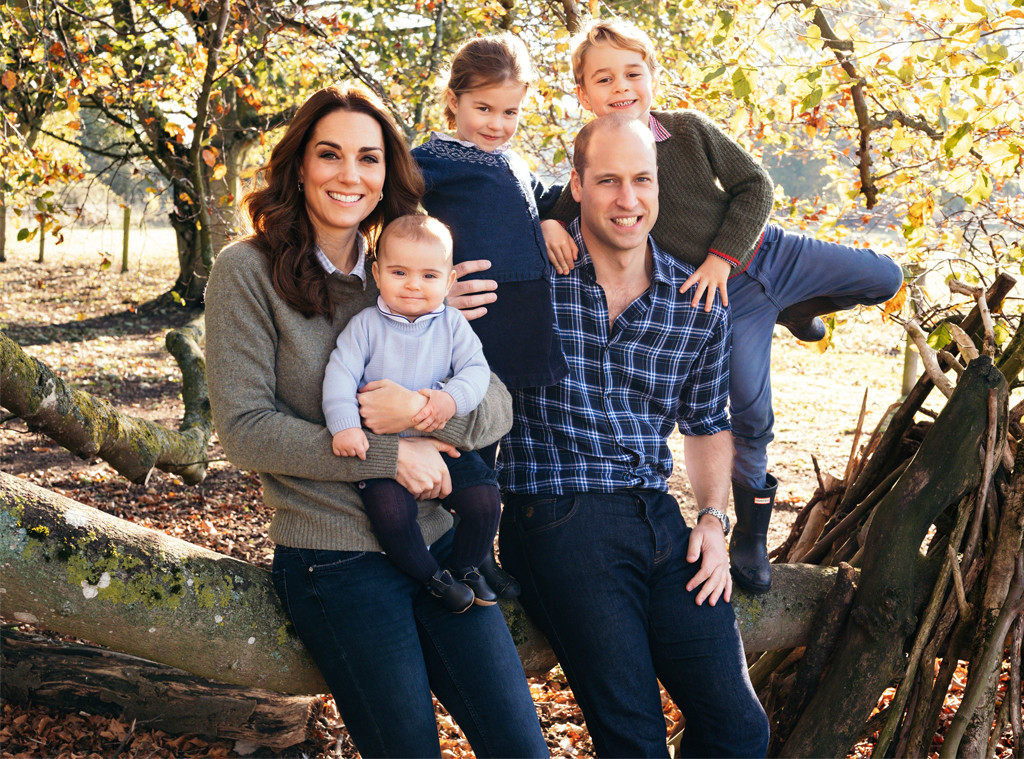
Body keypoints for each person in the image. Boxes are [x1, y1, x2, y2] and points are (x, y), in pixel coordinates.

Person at [204, 82, 548, 759]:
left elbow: (498, 405)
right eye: (330, 155)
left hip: (440, 542)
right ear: (299, 164)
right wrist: (393, 455)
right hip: (335, 555)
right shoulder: (245, 271)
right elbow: (245, 430)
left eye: (369, 158)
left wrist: (426, 410)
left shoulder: (409, 272)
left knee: (521, 747)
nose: (349, 174)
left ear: (389, 172)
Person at [541, 18, 904, 594]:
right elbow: (569, 201)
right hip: (725, 302)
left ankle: (798, 306)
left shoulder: (687, 130)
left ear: (653, 77)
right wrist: (547, 223)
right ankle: (751, 539)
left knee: (887, 276)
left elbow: (755, 186)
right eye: (604, 79)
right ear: (583, 94)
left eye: (633, 73)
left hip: (770, 254)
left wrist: (720, 257)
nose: (622, 87)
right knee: (750, 414)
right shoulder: (598, 157)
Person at [494, 113, 770, 757]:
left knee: (739, 728)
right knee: (635, 737)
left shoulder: (694, 298)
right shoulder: (533, 277)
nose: (628, 199)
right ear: (577, 185)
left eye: (641, 180)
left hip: (658, 517)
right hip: (558, 514)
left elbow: (706, 422)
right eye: (609, 180)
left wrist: (711, 518)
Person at [411, 32, 569, 598]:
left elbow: (544, 196)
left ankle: (484, 549)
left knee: (497, 441)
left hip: (522, 322)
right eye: (483, 108)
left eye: (510, 112)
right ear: (453, 100)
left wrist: (551, 219)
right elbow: (392, 220)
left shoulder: (513, 160)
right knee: (469, 440)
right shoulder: (431, 160)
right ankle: (463, 551)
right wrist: (430, 284)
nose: (497, 123)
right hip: (476, 322)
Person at [322, 214, 500, 612]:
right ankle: (432, 578)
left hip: (438, 443)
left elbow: (476, 371)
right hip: (383, 449)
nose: (413, 285)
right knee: (391, 514)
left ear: (449, 281)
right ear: (377, 272)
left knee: (485, 499)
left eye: (429, 276)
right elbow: (339, 376)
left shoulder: (453, 325)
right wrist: (346, 427)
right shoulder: (365, 326)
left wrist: (449, 400)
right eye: (399, 272)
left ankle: (466, 566)